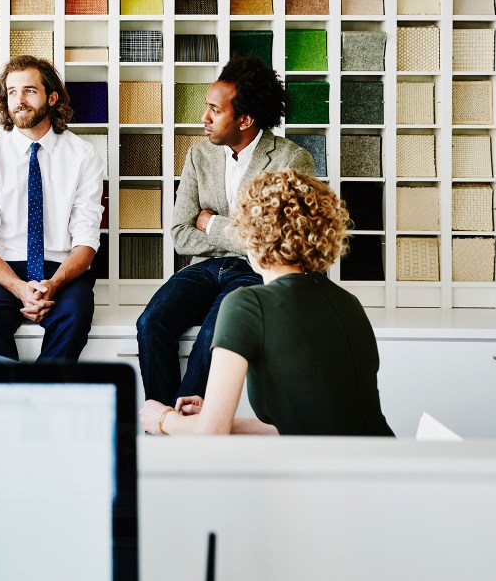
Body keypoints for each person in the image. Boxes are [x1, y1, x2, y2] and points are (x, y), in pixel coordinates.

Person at [140, 170, 394, 437]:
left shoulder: (246, 303)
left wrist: (163, 419)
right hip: (378, 462)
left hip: (327, 472)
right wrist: (216, 418)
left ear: (250, 232)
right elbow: (306, 428)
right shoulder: (347, 302)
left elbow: (211, 432)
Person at [135, 54, 314, 406]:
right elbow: (180, 233)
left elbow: (280, 242)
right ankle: (162, 422)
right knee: (149, 323)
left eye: (215, 111)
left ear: (244, 119)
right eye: (207, 107)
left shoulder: (291, 160)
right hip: (203, 268)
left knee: (213, 335)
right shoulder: (199, 155)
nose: (204, 118)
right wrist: (244, 231)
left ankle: (183, 430)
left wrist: (211, 222)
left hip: (256, 273)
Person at [0, 55, 105, 362]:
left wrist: (52, 285)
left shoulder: (84, 156)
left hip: (63, 271)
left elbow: (86, 239)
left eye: (29, 90)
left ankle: (44, 399)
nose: (19, 100)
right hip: (5, 270)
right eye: (12, 92)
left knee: (75, 317)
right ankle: (7, 402)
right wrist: (19, 288)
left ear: (51, 98)